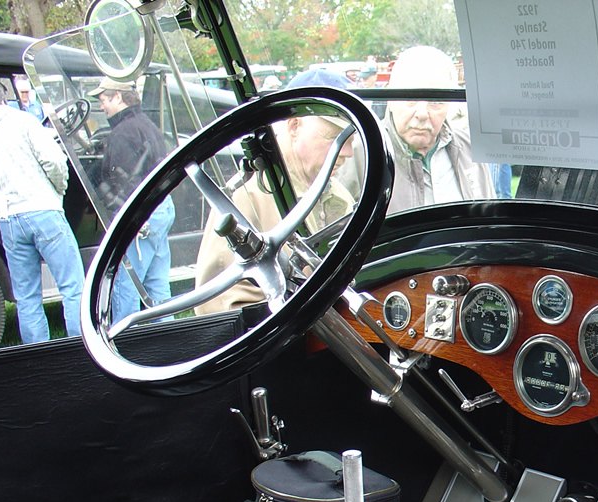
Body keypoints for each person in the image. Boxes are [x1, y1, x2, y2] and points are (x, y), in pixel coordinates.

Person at [194, 69, 356, 315]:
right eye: (334, 138)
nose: (348, 153)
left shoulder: (341, 200)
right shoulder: (247, 198)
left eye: (350, 140)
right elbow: (217, 307)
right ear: (294, 126)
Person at [0, 77, 84, 344]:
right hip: (43, 208)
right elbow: (54, 161)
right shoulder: (23, 121)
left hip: (7, 217)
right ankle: (80, 346)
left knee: (26, 296)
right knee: (72, 285)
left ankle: (37, 353)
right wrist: (59, 190)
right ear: (2, 99)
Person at [88, 76, 176, 323]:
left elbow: (124, 182)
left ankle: (123, 341)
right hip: (162, 208)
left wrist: (127, 220)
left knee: (126, 283)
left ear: (118, 97)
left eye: (104, 99)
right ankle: (169, 336)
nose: (102, 106)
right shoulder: (146, 123)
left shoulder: (121, 133)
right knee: (158, 286)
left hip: (142, 216)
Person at [381, 46, 494, 211]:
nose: (422, 113)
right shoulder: (363, 155)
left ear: (449, 105)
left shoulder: (469, 150)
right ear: (390, 99)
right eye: (410, 97)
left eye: (435, 101)